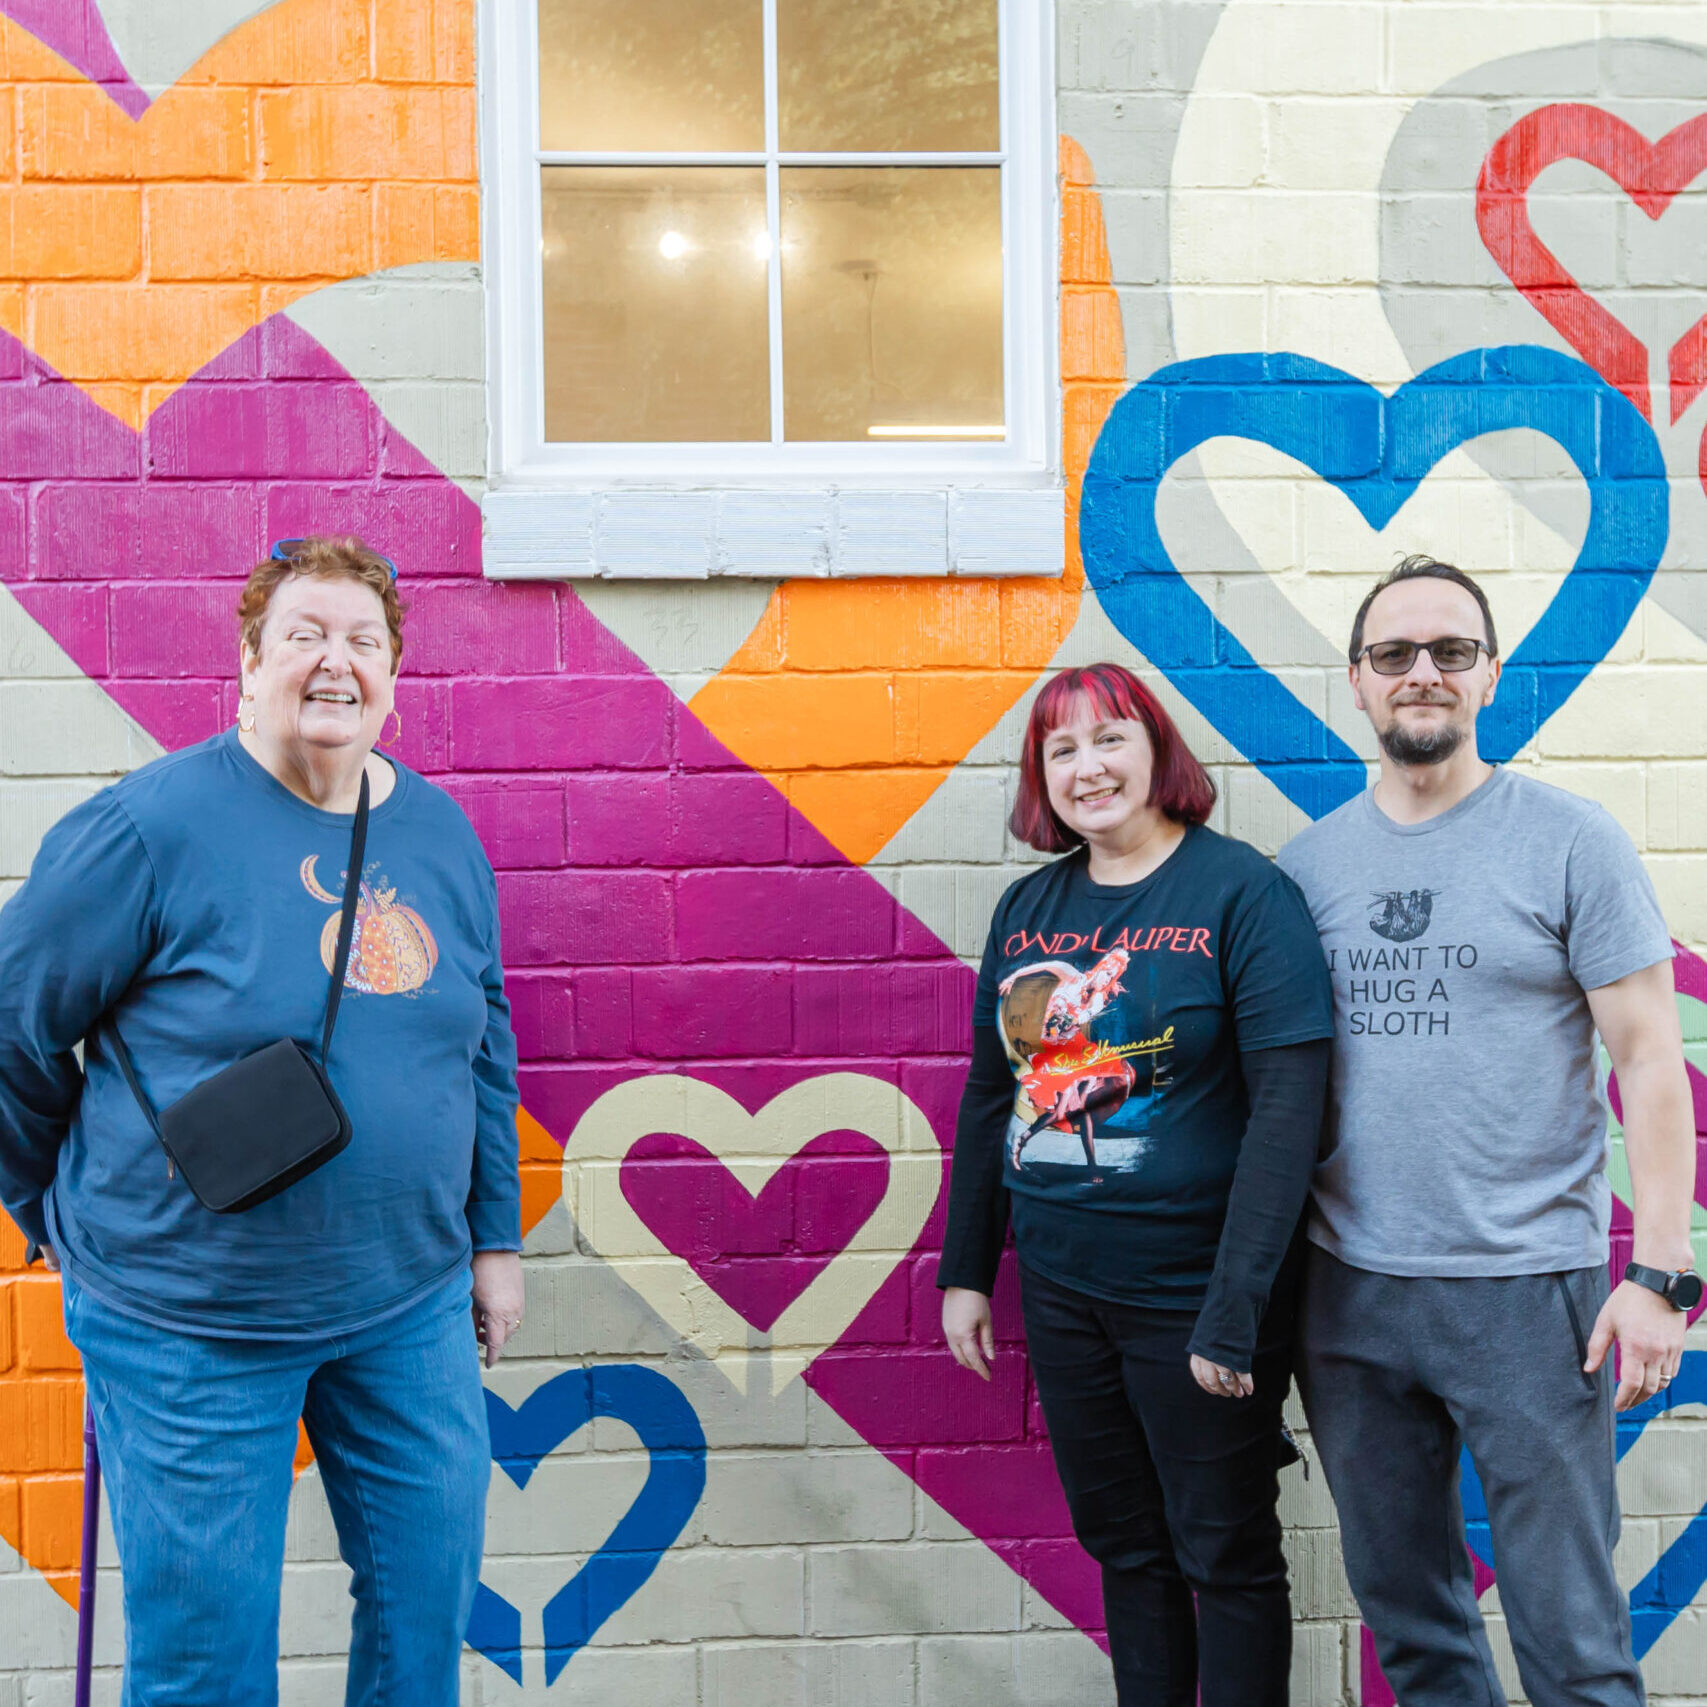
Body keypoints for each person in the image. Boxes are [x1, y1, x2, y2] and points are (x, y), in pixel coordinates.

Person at [0, 536, 525, 1705]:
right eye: (305, 635)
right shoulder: (146, 830)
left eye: (363, 641)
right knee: (206, 1659)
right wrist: (50, 1206)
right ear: (248, 662)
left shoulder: (440, 833)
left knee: (424, 1616)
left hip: (406, 1305)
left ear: (393, 676)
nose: (336, 661)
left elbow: (483, 1041)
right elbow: (10, 1024)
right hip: (190, 1322)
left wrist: (494, 1240)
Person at [1277, 554, 1700, 1706]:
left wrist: (1662, 1275)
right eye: (1395, 653)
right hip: (1348, 1295)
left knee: (1572, 1640)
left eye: (1451, 650)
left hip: (1529, 1295)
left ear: (1490, 675)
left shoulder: (1570, 840)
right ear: (1357, 680)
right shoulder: (1306, 870)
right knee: (1414, 1632)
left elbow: (1650, 1060)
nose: (1423, 671)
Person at [939, 662, 1335, 1707]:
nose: (1088, 767)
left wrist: (1236, 1309)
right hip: (1063, 1288)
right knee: (1124, 1542)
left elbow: (1289, 1114)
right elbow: (990, 1095)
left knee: (1225, 1551)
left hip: (1196, 1291)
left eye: (1109, 738)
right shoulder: (1029, 908)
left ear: (1157, 750)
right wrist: (967, 1269)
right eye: (1061, 749)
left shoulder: (1243, 894)